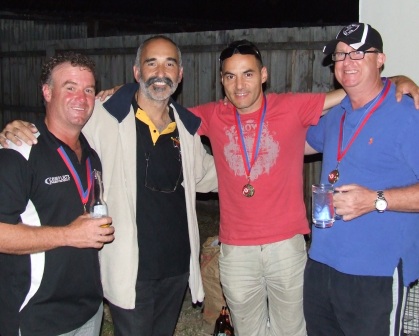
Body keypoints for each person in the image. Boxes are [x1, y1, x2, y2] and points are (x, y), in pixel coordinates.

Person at [2, 39, 419, 336]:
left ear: (264, 75)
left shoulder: (274, 109)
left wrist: (394, 78)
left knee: (294, 329)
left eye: (248, 74)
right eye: (230, 77)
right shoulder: (179, 116)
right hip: (210, 252)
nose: (240, 85)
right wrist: (22, 128)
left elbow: (345, 94)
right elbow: (88, 115)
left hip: (279, 246)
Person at [303, 23, 419, 336]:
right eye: (340, 55)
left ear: (380, 59)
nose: (347, 62)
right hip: (321, 264)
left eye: (358, 53)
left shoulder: (408, 113)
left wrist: (376, 200)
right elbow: (290, 145)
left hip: (375, 272)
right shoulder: (336, 114)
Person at [0, 52, 115, 336]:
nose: (82, 97)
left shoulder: (91, 155)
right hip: (37, 316)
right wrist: (69, 235)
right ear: (47, 92)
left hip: (89, 310)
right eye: (70, 87)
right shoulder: (19, 152)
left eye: (88, 89)